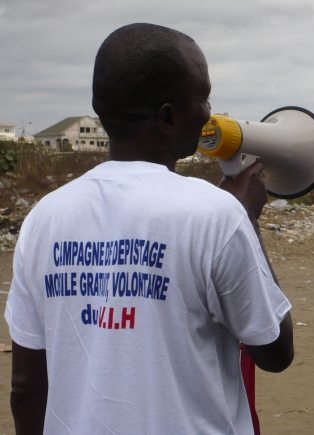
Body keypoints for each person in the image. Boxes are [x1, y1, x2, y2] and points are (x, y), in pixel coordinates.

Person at [5, 23, 293, 435]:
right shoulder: (215, 215)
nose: (210, 113)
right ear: (168, 117)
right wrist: (245, 216)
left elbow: (27, 387)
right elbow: (274, 350)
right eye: (203, 97)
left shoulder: (43, 218)